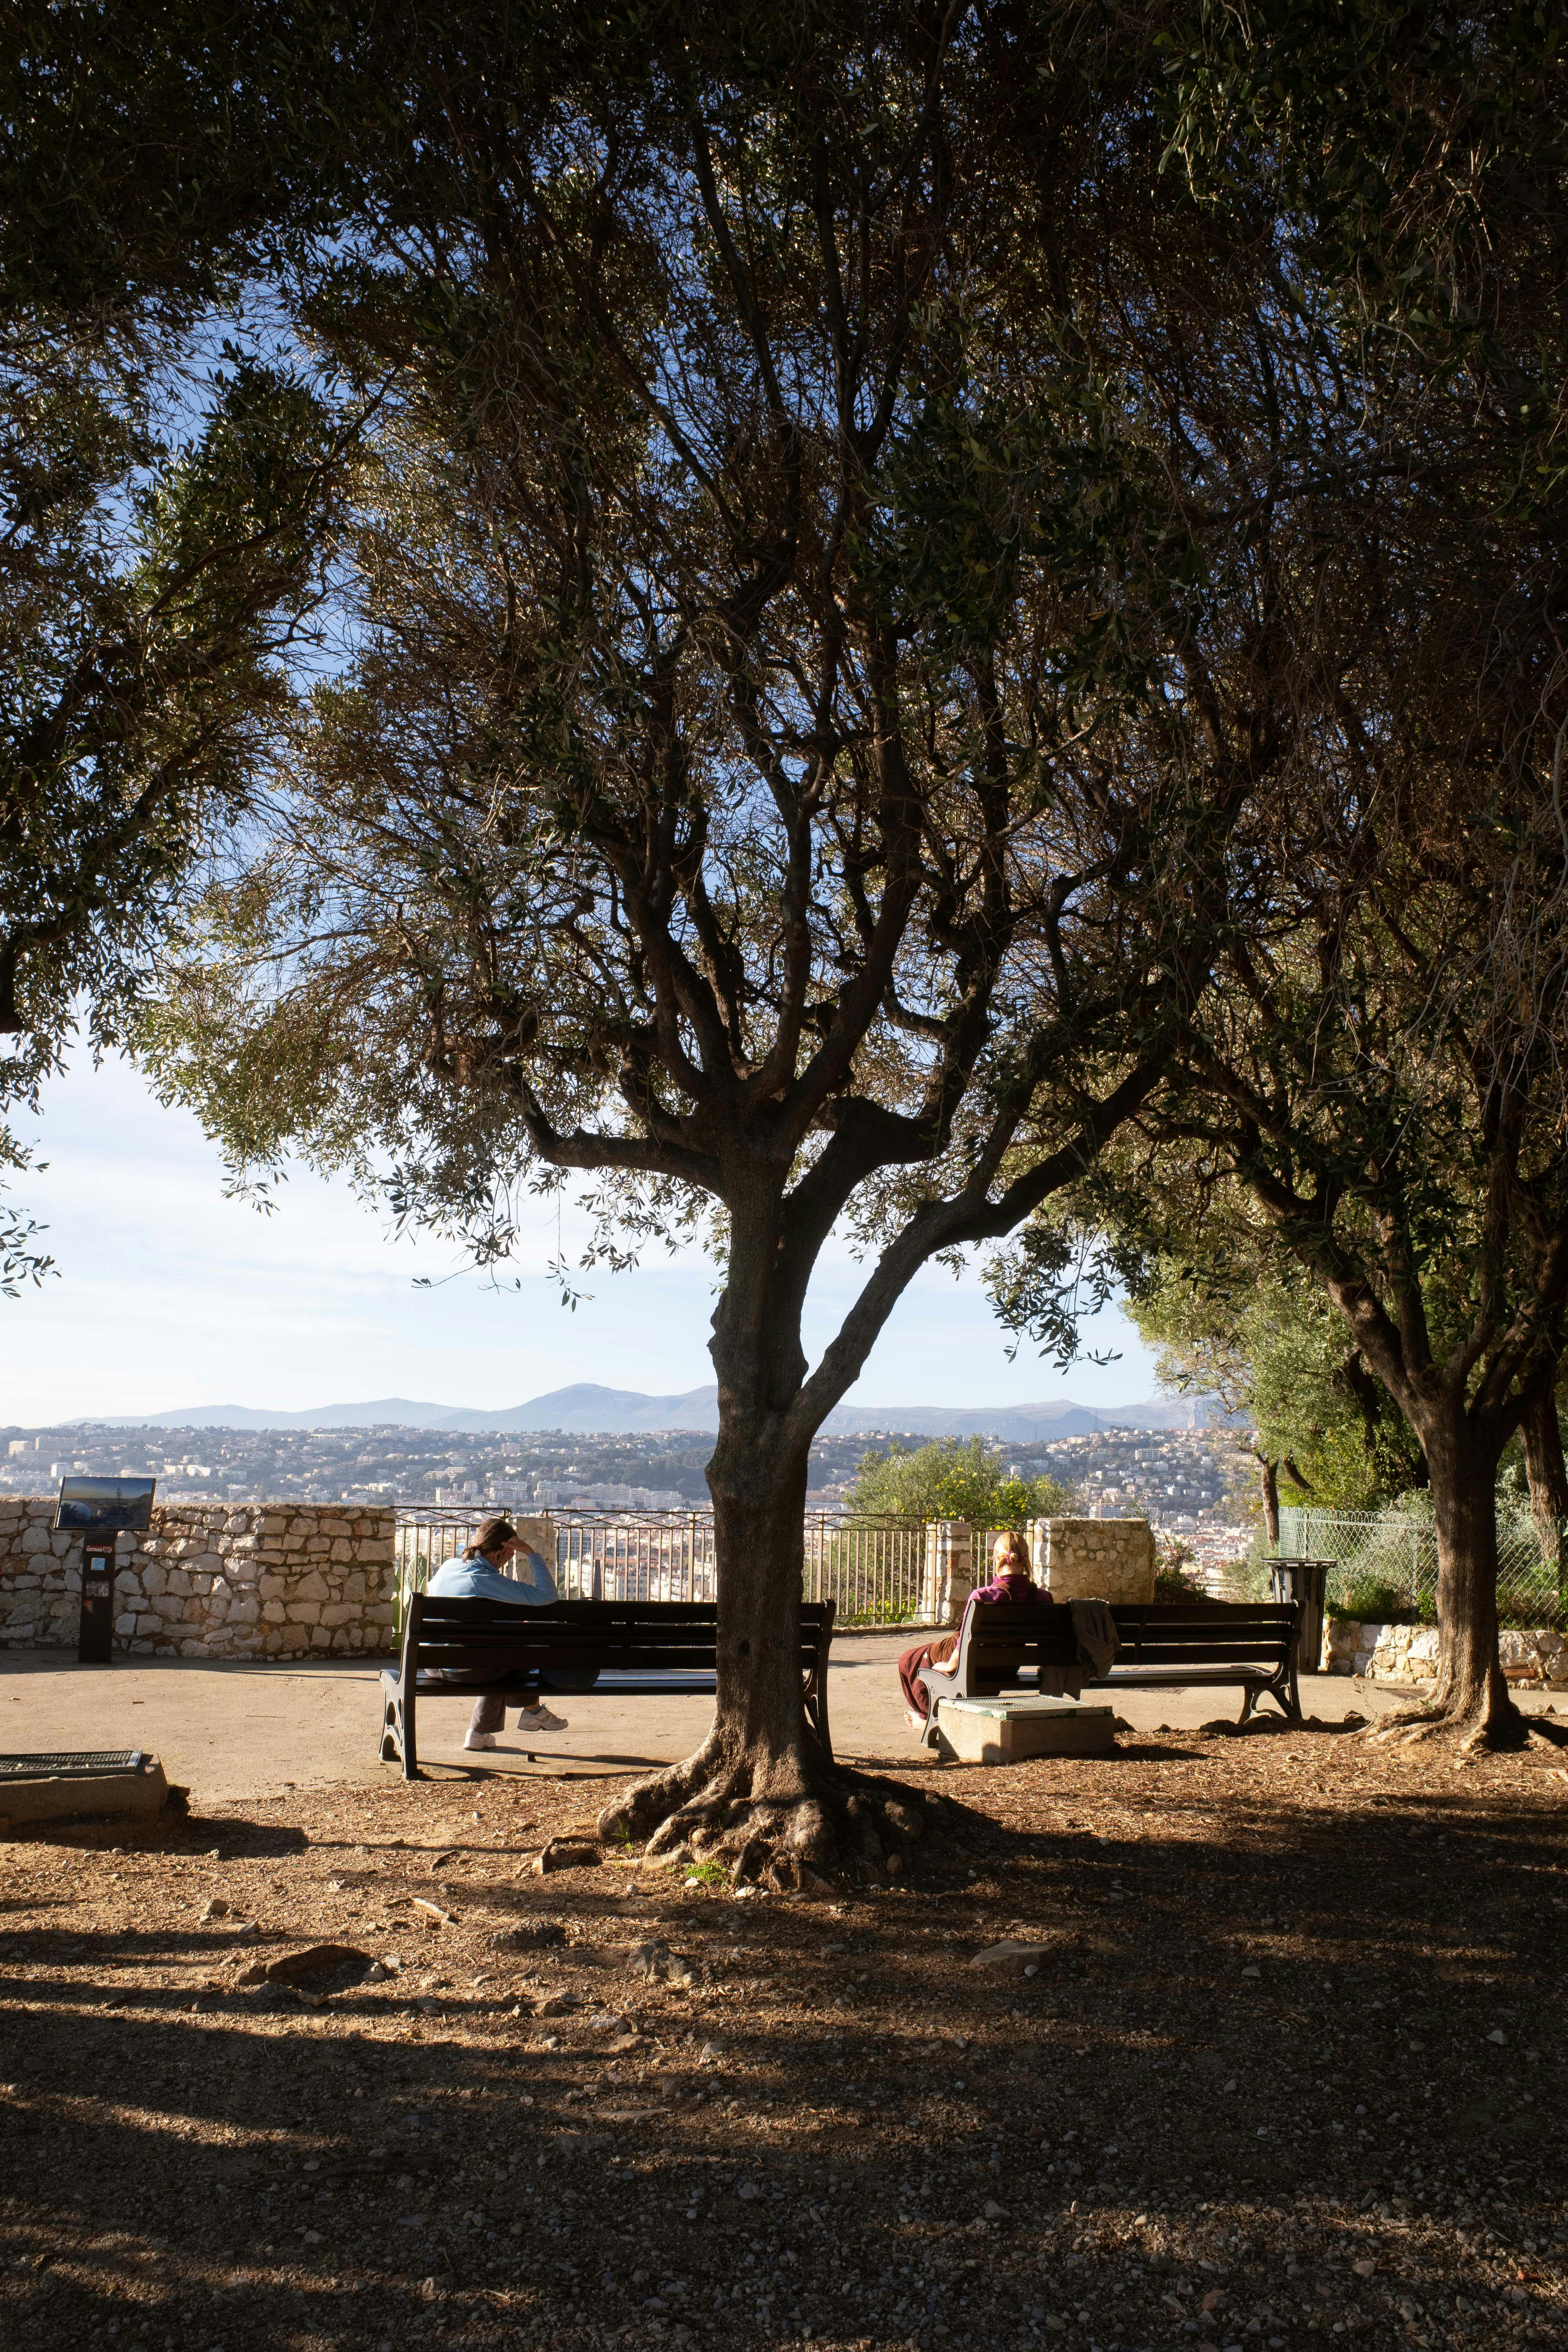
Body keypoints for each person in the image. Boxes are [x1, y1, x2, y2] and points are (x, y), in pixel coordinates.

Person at [426, 1515, 568, 1751]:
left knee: (499, 1655)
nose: (507, 1562)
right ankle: (530, 1713)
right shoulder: (486, 1579)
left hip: (432, 1664)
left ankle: (495, 1729)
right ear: (500, 1552)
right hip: (465, 1671)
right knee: (512, 1651)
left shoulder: (449, 1566)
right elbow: (547, 1596)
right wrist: (530, 1552)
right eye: (510, 1556)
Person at [897, 1529, 1053, 1725]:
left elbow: (962, 1644)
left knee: (909, 1660)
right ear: (1025, 1560)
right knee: (926, 1656)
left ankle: (930, 1718)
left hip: (974, 1661)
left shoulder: (983, 1596)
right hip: (1007, 1668)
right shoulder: (1043, 1598)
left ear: (997, 1559)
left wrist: (948, 1666)